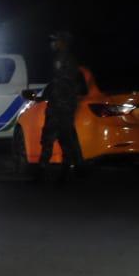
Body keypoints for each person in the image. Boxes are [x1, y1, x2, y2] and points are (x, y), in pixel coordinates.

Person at [37, 30, 86, 182]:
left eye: (56, 40)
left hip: (61, 107)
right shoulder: (64, 59)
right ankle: (57, 170)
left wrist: (55, 98)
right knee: (60, 138)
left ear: (63, 42)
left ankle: (60, 171)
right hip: (60, 105)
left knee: (60, 138)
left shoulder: (65, 59)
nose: (53, 43)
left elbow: (64, 84)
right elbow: (57, 83)